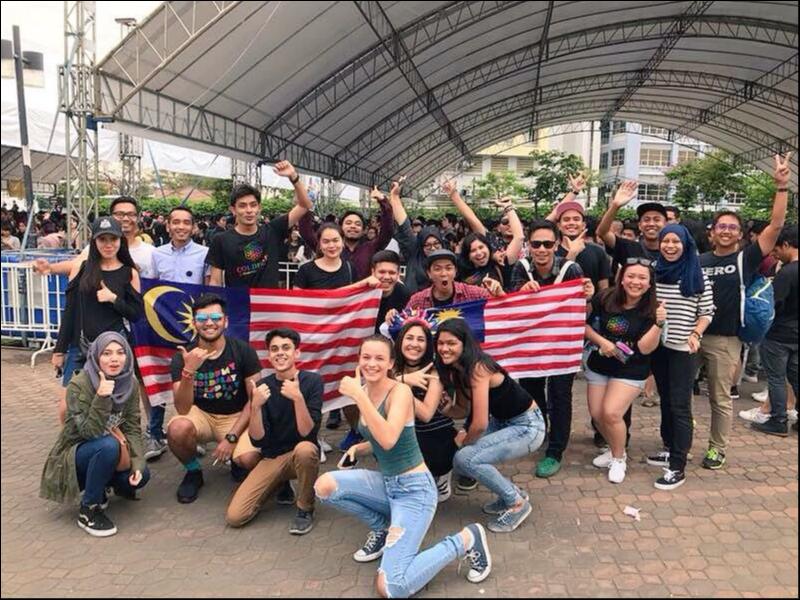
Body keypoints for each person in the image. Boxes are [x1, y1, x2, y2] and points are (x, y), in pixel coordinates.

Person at [314, 335, 492, 598]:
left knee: (391, 587)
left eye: (379, 358)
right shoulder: (365, 390)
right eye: (366, 357)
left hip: (414, 492)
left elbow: (388, 438)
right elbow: (382, 435)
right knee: (325, 486)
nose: (371, 363)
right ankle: (382, 527)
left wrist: (358, 396)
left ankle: (465, 539)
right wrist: (358, 448)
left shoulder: (400, 392)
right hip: (388, 484)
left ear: (390, 363)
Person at [697, 153, 790, 468]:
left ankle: (717, 449)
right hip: (692, 335)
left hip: (725, 339)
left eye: (732, 227)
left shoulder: (745, 259)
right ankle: (677, 443)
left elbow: (776, 226)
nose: (726, 231)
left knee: (719, 398)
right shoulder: (699, 261)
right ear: (712, 232)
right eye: (720, 226)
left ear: (739, 234)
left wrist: (781, 187)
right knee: (678, 393)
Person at [435, 319, 545, 532]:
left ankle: (517, 504)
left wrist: (463, 442)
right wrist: (446, 409)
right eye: (440, 343)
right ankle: (513, 494)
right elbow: (462, 410)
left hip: (528, 426)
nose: (444, 348)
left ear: (465, 344)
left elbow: (479, 423)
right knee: (462, 459)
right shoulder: (457, 369)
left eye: (451, 343)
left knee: (465, 458)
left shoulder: (478, 368)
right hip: (503, 422)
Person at [40, 332, 150, 537]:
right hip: (75, 456)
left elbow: (132, 427)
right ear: (96, 355)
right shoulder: (79, 384)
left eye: (120, 353)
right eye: (107, 353)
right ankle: (88, 509)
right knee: (108, 446)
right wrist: (102, 397)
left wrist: (138, 464)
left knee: (142, 475)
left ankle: (101, 487)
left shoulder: (130, 383)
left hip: (107, 450)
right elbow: (89, 433)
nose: (114, 359)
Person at [509, 220, 594, 479]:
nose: (542, 249)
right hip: (531, 344)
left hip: (562, 344)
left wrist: (588, 296)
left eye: (547, 244)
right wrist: (521, 292)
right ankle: (539, 431)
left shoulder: (571, 269)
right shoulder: (521, 268)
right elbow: (512, 306)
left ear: (557, 245)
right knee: (532, 392)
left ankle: (556, 450)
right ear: (528, 246)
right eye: (536, 244)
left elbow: (583, 309)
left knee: (560, 395)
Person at [226, 328, 323, 534]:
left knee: (306, 449)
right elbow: (258, 440)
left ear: (297, 353)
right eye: (274, 349)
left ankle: (305, 508)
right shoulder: (261, 387)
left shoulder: (313, 381)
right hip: (273, 458)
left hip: (301, 455)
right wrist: (255, 406)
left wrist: (298, 398)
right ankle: (279, 485)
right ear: (269, 356)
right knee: (235, 517)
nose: (280, 353)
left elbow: (307, 433)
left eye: (286, 348)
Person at [167, 293, 263, 503]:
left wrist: (231, 438)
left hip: (236, 415)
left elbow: (254, 400)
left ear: (225, 321)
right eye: (202, 318)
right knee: (177, 428)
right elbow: (182, 408)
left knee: (249, 459)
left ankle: (237, 462)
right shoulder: (183, 356)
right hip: (202, 414)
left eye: (216, 318)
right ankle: (193, 471)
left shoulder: (243, 350)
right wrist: (189, 371)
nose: (209, 323)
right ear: (194, 323)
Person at [52, 217, 144, 423]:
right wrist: (59, 349)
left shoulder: (129, 273)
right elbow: (70, 310)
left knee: (114, 408)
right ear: (94, 242)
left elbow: (136, 314)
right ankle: (71, 442)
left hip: (114, 350)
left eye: (113, 239)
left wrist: (114, 299)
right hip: (81, 347)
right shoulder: (83, 268)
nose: (108, 244)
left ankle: (112, 442)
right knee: (67, 407)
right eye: (103, 239)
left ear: (121, 240)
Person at [647, 224, 714, 490]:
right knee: (665, 400)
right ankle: (669, 447)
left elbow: (707, 312)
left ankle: (678, 465)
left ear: (686, 244)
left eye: (676, 241)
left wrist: (696, 334)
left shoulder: (697, 274)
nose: (670, 246)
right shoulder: (654, 271)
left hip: (682, 349)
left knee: (680, 405)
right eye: (666, 241)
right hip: (657, 347)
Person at [585, 261, 664, 483]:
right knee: (597, 415)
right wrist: (603, 342)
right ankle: (614, 449)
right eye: (631, 276)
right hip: (600, 364)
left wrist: (659, 324)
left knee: (611, 413)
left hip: (632, 368)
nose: (635, 282)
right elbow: (585, 325)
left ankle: (619, 458)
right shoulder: (605, 298)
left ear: (649, 284)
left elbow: (645, 348)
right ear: (621, 278)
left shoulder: (654, 309)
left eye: (642, 278)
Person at [145, 206, 211, 460]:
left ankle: (194, 432)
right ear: (168, 225)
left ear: (193, 227)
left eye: (186, 222)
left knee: (193, 378)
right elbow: (150, 288)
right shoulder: (157, 254)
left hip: (192, 328)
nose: (181, 227)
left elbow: (209, 289)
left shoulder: (204, 253)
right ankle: (155, 433)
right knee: (160, 375)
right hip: (162, 326)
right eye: (176, 222)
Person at [207, 161, 312, 288]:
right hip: (237, 300)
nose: (249, 210)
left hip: (268, 300)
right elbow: (215, 281)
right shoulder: (221, 240)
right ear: (233, 210)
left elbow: (305, 205)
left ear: (259, 208)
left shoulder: (272, 231)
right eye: (242, 206)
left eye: (253, 205)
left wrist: (293, 177)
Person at [392, 319, 457, 502]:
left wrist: (400, 387)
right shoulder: (392, 368)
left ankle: (443, 473)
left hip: (434, 436)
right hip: (406, 432)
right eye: (409, 338)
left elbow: (427, 414)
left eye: (421, 339)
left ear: (428, 345)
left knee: (431, 451)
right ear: (400, 341)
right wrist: (402, 380)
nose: (414, 344)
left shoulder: (435, 371)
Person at [752, 225, 798, 437]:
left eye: (777, 250)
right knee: (796, 377)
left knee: (776, 378)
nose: (775, 255)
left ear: (786, 245)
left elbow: (774, 304)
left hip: (779, 334)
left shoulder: (787, 273)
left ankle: (778, 420)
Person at [298, 186, 394, 280]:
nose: (353, 226)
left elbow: (387, 231)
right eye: (348, 223)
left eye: (357, 224)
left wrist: (382, 200)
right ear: (340, 227)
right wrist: (306, 203)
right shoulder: (330, 247)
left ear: (364, 230)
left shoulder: (371, 247)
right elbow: (306, 233)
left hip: (364, 290)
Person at [597, 180, 666, 264]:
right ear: (640, 225)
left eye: (657, 220)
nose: (651, 224)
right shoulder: (629, 247)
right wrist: (615, 206)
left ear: (665, 224)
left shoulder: (673, 250)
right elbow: (602, 233)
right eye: (646, 220)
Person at [371, 250, 411, 335]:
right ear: (373, 272)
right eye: (382, 272)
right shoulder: (362, 294)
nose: (387, 277)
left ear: (398, 274)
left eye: (392, 273)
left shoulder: (406, 295)